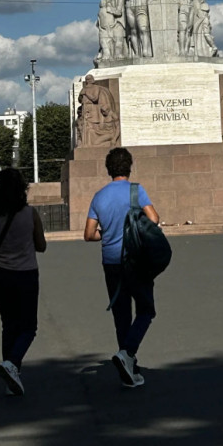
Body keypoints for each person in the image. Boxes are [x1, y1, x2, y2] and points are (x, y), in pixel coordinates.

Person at [84, 146, 160, 387]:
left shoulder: (99, 196)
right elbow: (154, 219)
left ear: (109, 170)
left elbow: (88, 234)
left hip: (111, 262)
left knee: (121, 316)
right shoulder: (136, 191)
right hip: (136, 260)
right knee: (146, 310)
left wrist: (106, 235)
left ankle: (129, 369)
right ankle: (127, 354)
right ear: (129, 167)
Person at [0, 168, 47, 396]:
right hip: (26, 275)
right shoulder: (30, 214)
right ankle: (12, 364)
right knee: (28, 327)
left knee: (8, 326)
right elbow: (41, 246)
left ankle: (11, 377)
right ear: (22, 191)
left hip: (0, 275)